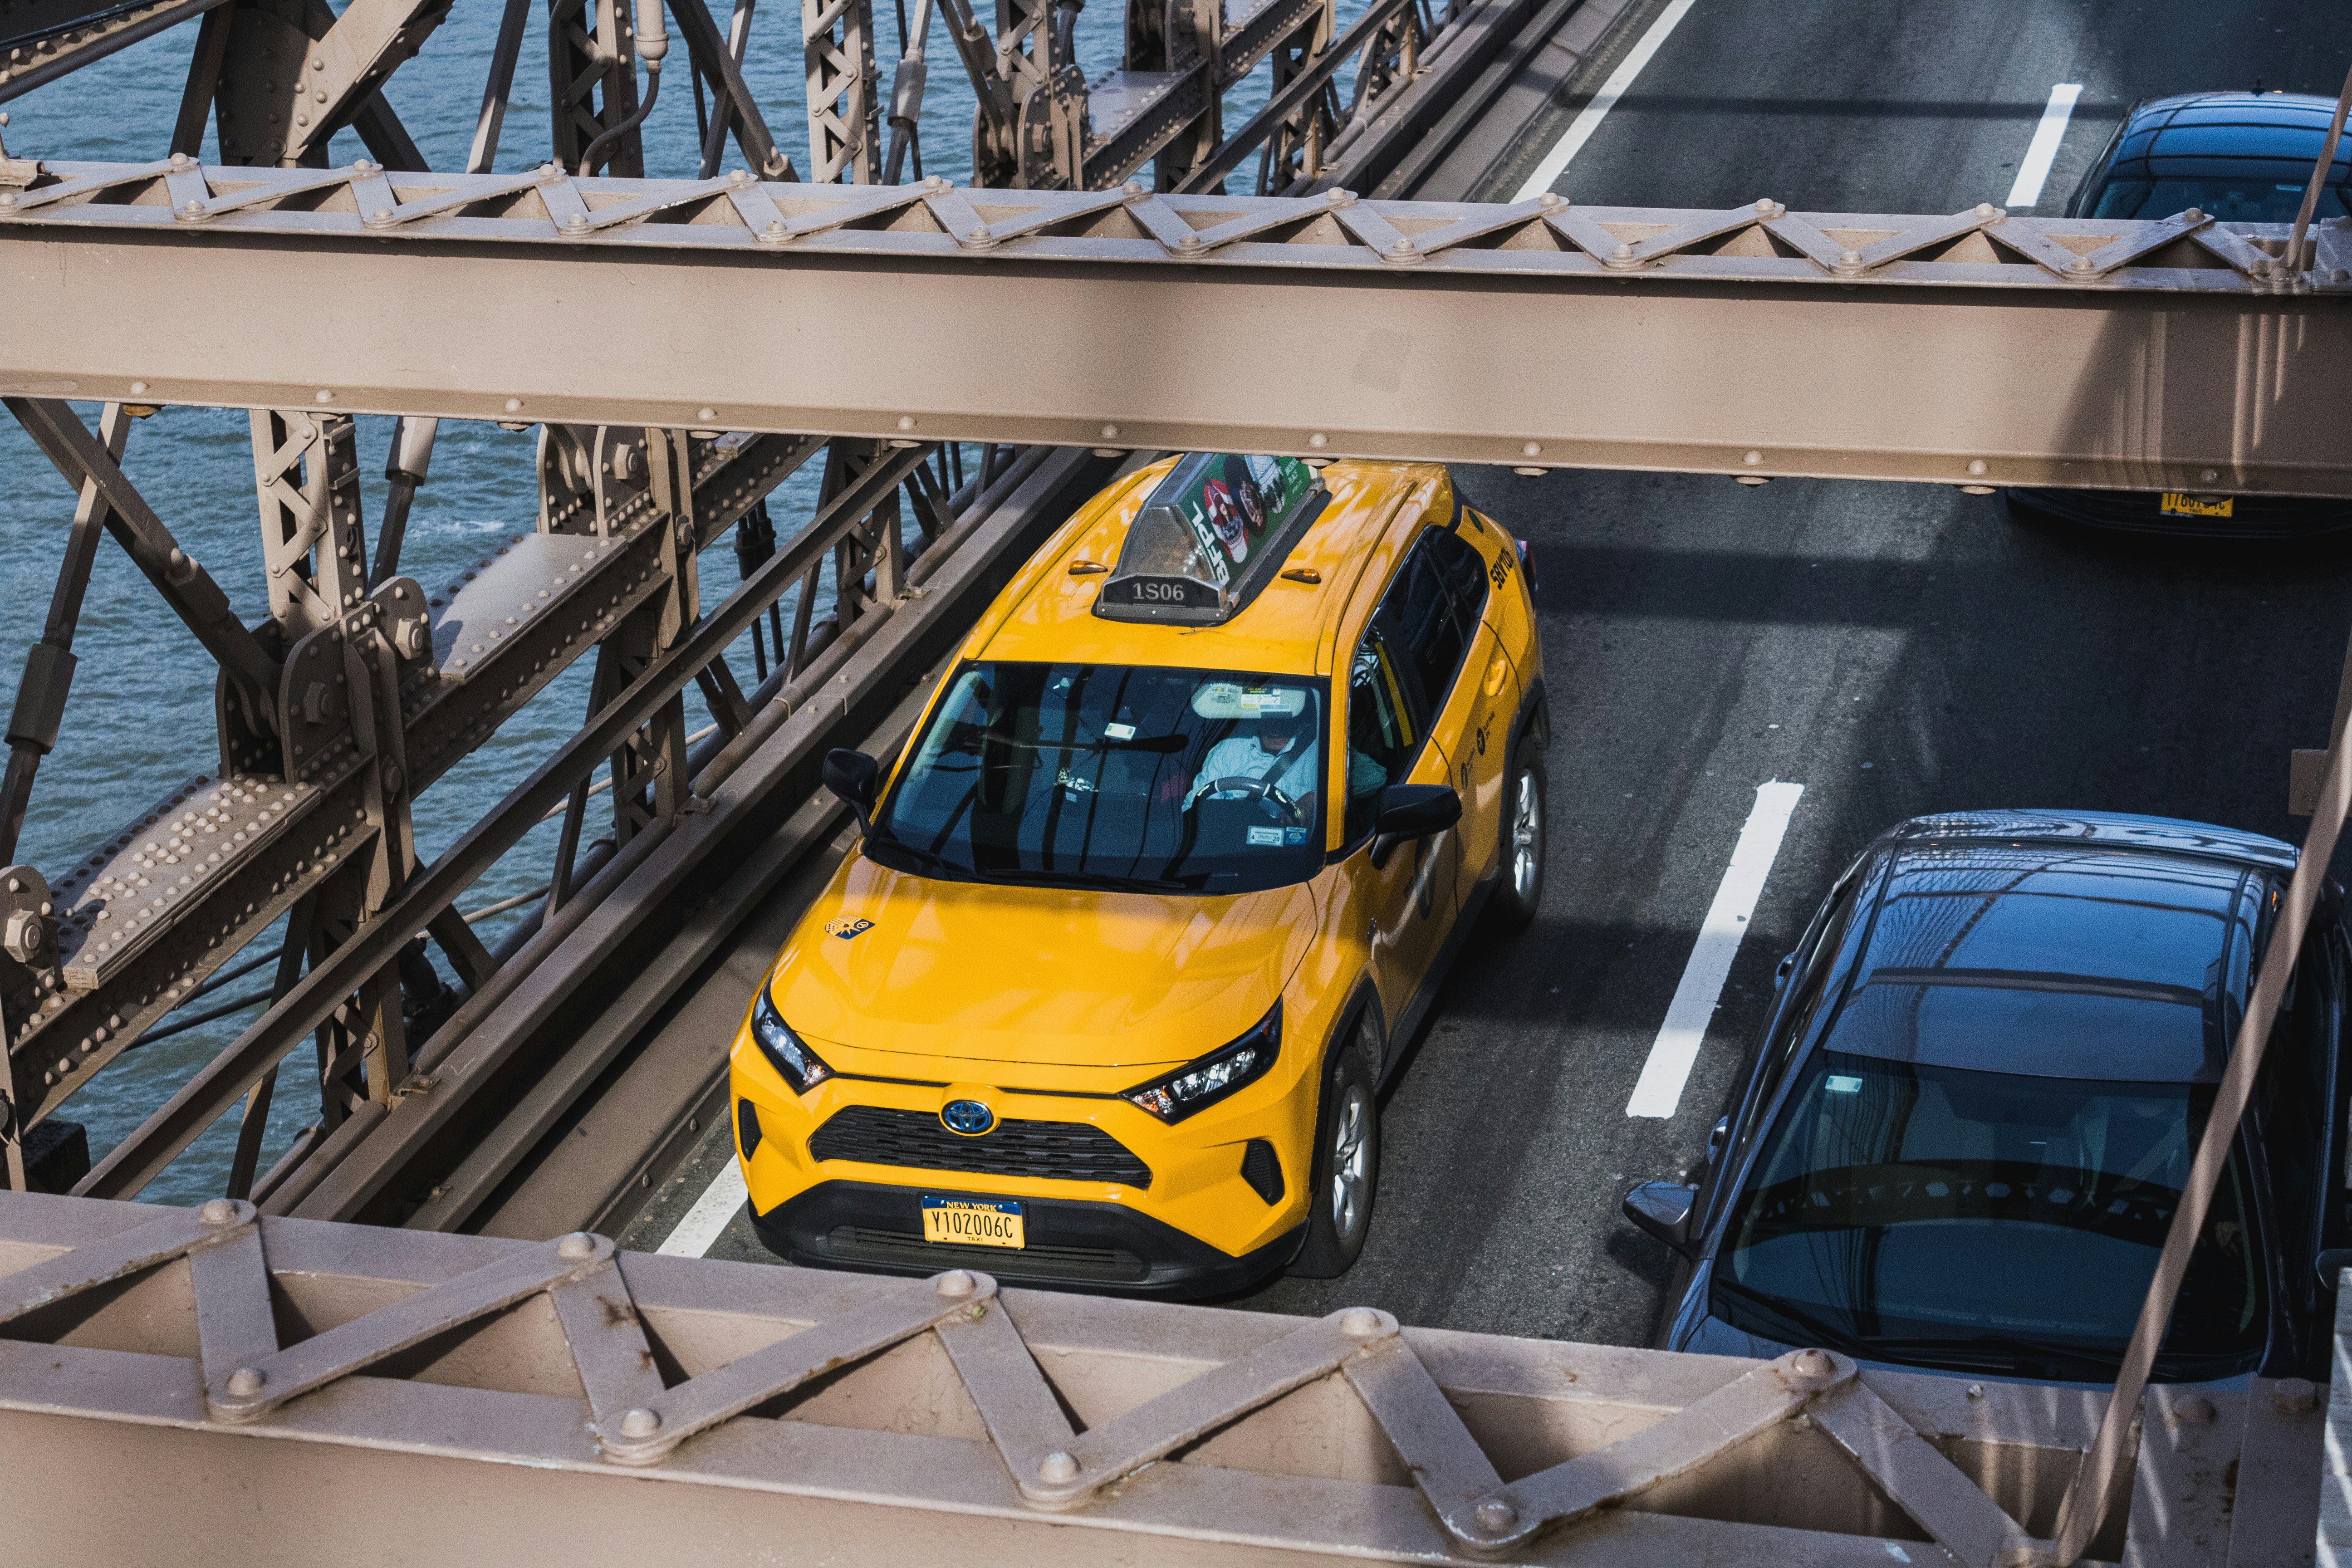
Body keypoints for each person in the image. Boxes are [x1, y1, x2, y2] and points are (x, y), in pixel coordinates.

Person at [1185, 707, 1318, 819]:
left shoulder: (1320, 747)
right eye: (1270, 718)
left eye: (1284, 718)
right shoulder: (1230, 748)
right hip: (1234, 836)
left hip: (1297, 845)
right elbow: (1195, 805)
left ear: (1298, 716)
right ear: (1257, 717)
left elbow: (1336, 802)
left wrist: (1313, 799)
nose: (1276, 727)